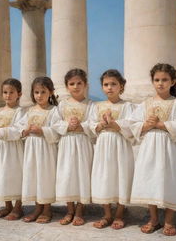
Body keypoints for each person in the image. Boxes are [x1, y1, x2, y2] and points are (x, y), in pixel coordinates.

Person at [130, 63, 176, 236]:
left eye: (164, 80)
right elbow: (133, 123)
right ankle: (154, 219)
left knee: (169, 179)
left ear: (173, 81)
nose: (160, 83)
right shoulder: (145, 103)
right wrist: (145, 125)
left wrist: (160, 124)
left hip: (168, 147)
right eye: (157, 80)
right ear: (152, 81)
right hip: (149, 146)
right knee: (150, 180)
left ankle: (169, 221)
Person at [90, 69, 135, 229]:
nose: (109, 87)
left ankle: (120, 214)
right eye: (106, 84)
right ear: (102, 87)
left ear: (121, 86)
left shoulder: (128, 106)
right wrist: (100, 124)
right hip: (103, 146)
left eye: (113, 84)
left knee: (120, 175)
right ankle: (107, 214)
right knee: (105, 176)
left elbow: (132, 125)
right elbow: (90, 125)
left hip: (120, 145)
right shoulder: (97, 106)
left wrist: (116, 124)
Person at [52, 68, 94, 226]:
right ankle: (69, 209)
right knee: (67, 175)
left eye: (79, 83)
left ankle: (80, 209)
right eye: (72, 83)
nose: (75, 86)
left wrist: (82, 126)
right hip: (67, 143)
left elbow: (93, 123)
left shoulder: (90, 105)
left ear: (86, 85)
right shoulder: (62, 105)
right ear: (66, 86)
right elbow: (55, 123)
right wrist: (67, 125)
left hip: (83, 144)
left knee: (82, 174)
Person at [18, 77, 59, 223]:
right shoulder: (29, 111)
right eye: (36, 92)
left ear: (51, 93)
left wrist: (43, 130)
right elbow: (20, 128)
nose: (39, 95)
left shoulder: (54, 111)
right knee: (34, 176)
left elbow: (57, 131)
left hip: (46, 149)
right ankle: (37, 207)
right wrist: (25, 130)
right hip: (31, 149)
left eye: (43, 92)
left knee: (45, 177)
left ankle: (47, 208)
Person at [0, 78, 25, 220]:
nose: (8, 95)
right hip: (0, 148)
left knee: (14, 174)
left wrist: (1, 131)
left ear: (19, 94)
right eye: (5, 92)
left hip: (13, 149)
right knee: (2, 174)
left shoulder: (20, 111)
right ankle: (7, 205)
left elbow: (19, 129)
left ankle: (18, 207)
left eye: (11, 92)